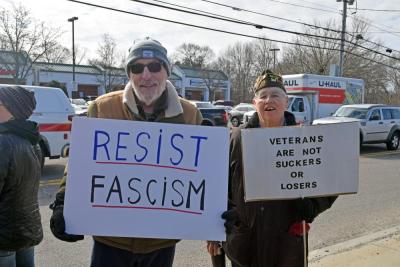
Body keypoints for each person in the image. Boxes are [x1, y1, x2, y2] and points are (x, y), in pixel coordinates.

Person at [49, 37, 203, 267]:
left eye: (154, 67)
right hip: (111, 239)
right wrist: (63, 200)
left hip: (161, 240)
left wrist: (221, 205)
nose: (146, 75)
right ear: (129, 73)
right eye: (137, 67)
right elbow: (80, 161)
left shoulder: (190, 115)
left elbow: (203, 172)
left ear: (167, 71)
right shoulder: (102, 107)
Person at [208, 70, 337, 267]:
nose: (269, 100)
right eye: (263, 96)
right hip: (244, 244)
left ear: (286, 102)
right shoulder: (236, 139)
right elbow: (217, 185)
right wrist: (220, 224)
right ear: (255, 103)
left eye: (276, 95)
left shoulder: (305, 138)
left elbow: (333, 177)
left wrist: (313, 206)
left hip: (287, 243)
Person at [0, 86, 43, 267]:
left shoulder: (4, 142)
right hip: (27, 228)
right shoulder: (32, 139)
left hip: (4, 234)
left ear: (12, 109)